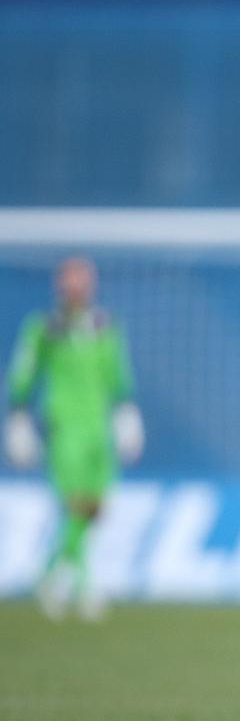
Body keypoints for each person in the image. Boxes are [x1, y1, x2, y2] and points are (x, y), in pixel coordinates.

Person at [4, 256, 143, 621]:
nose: (77, 288)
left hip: (99, 429)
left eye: (83, 280)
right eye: (71, 281)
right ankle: (83, 587)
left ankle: (49, 576)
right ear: (60, 286)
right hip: (64, 426)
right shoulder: (44, 329)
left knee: (94, 510)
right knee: (76, 506)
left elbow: (117, 373)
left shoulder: (106, 327)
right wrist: (18, 415)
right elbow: (24, 372)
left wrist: (126, 412)